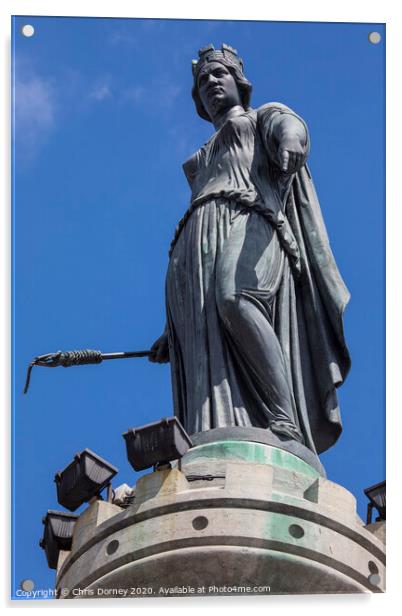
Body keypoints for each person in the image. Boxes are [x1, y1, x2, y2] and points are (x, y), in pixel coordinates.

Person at [149, 44, 350, 455]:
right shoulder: (198, 160)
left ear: (239, 82)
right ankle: (215, 433)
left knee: (236, 298)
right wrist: (173, 329)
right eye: (202, 80)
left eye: (218, 74)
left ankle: (284, 418)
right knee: (203, 337)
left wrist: (292, 139)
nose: (209, 83)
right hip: (194, 241)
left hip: (251, 216)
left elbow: (289, 125)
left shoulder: (260, 117)